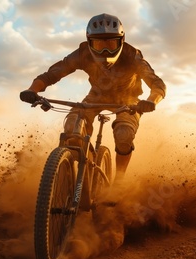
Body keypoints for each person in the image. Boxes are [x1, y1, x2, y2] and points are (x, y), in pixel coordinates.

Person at [20, 13, 166, 183]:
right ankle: (82, 169)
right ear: (89, 42)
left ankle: (118, 183)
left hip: (128, 99)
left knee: (124, 134)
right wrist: (32, 90)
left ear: (122, 40)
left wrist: (150, 102)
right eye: (98, 44)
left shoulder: (132, 55)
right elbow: (50, 75)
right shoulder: (83, 53)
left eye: (111, 43)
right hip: (96, 96)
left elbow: (157, 84)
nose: (105, 50)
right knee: (72, 127)